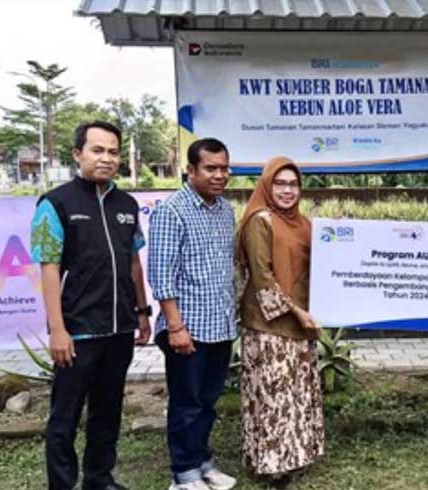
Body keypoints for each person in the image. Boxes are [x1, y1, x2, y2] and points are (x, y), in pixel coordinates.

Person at [31, 121, 151, 490]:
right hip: (77, 331)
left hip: (119, 328)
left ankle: (99, 479)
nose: (106, 158)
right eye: (97, 150)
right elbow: (49, 268)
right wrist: (58, 329)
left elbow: (133, 262)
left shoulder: (127, 204)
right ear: (77, 154)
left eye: (113, 152)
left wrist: (142, 312)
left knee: (108, 411)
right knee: (65, 417)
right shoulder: (55, 204)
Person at [148, 138, 238, 490]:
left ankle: (203, 462)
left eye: (224, 168)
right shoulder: (172, 211)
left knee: (208, 402)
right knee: (186, 404)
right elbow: (161, 274)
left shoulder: (225, 209)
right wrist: (176, 327)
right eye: (210, 168)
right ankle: (184, 473)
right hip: (187, 327)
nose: (219, 175)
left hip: (220, 325)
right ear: (191, 170)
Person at [236, 157, 324, 484]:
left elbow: (324, 262)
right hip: (269, 324)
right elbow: (262, 278)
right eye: (280, 184)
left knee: (296, 393)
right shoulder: (260, 221)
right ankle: (272, 463)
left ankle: (296, 455)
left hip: (301, 322)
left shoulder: (303, 223)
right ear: (266, 186)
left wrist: (342, 238)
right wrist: (298, 312)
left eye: (293, 184)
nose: (287, 191)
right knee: (273, 395)